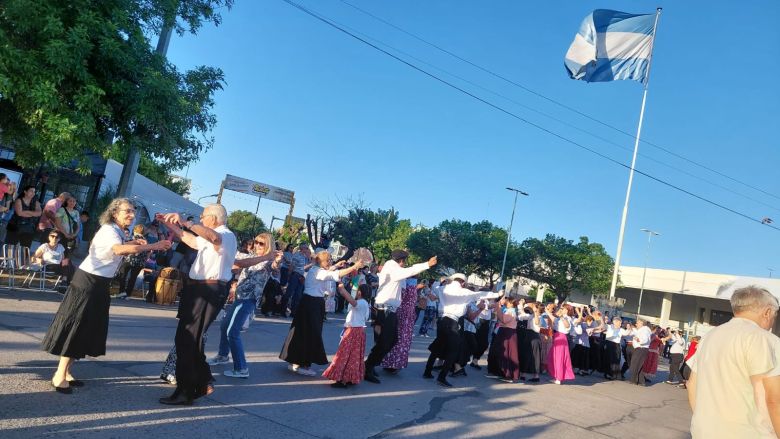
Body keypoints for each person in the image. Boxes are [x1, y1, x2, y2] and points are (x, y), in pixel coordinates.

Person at [41, 198, 171, 394]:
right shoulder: (109, 229)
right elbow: (118, 249)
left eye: (133, 211)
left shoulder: (117, 230)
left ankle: (67, 372)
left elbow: (118, 246)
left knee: (85, 329)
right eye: (127, 211)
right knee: (76, 327)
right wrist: (154, 246)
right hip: (88, 282)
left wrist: (133, 241)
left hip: (100, 283)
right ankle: (59, 375)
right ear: (114, 213)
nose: (132, 215)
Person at [158, 205, 237, 406]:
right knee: (186, 338)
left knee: (188, 338)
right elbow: (192, 241)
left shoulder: (225, 234)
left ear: (214, 218)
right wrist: (172, 226)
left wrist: (186, 221)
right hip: (197, 288)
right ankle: (201, 381)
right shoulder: (212, 234)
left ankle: (188, 389)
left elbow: (214, 239)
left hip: (208, 289)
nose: (200, 220)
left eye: (203, 217)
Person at [687, 286, 779, 438]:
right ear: (767, 312)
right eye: (774, 316)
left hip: (704, 432)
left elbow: (691, 385)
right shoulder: (765, 340)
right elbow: (774, 399)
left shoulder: (710, 337)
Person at [209, 232, 282, 378]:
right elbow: (233, 256)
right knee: (225, 326)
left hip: (249, 299)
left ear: (268, 244)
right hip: (239, 297)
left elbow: (275, 267)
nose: (257, 245)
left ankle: (242, 368)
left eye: (261, 243)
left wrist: (278, 260)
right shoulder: (249, 256)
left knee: (233, 332)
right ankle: (223, 356)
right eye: (256, 241)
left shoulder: (269, 260)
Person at [280, 251, 363, 377]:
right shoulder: (317, 271)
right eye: (328, 260)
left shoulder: (316, 270)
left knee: (301, 333)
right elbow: (333, 275)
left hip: (309, 303)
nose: (330, 262)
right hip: (312, 304)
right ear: (320, 261)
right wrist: (353, 267)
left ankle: (296, 361)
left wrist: (337, 265)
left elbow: (329, 271)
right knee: (312, 334)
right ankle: (304, 364)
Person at [365, 250, 436, 384]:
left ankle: (370, 364)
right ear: (401, 261)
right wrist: (427, 264)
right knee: (386, 341)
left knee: (390, 341)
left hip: (389, 309)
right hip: (384, 309)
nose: (405, 265)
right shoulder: (392, 268)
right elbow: (409, 272)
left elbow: (405, 279)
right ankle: (368, 367)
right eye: (404, 261)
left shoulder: (394, 269)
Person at [423, 273, 498, 387]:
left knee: (438, 346)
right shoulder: (464, 292)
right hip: (453, 322)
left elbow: (433, 290)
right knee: (453, 350)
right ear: (463, 282)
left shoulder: (442, 288)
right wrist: (497, 293)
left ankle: (427, 372)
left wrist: (429, 288)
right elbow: (481, 294)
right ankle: (442, 377)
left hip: (442, 320)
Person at [323, 283, 371, 388]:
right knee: (353, 356)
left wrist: (342, 289)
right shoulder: (366, 303)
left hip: (353, 331)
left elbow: (352, 301)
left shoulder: (361, 302)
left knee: (344, 354)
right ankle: (349, 377)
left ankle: (341, 379)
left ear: (360, 292)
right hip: (358, 332)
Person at [380, 277, 419, 374]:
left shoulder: (406, 285)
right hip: (405, 315)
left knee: (397, 338)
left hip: (403, 313)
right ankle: (394, 363)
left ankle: (390, 362)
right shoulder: (410, 285)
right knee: (401, 339)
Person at [485, 296, 520, 383]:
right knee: (502, 352)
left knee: (507, 353)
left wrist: (499, 308)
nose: (506, 302)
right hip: (505, 331)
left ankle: (508, 374)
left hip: (508, 332)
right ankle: (501, 372)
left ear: (511, 303)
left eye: (507, 301)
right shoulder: (510, 310)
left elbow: (504, 320)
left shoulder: (511, 311)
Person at [114, 224, 148, 299]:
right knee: (133, 278)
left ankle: (122, 292)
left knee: (122, 274)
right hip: (140, 262)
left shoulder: (133, 237)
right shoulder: (145, 240)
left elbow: (127, 247)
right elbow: (148, 252)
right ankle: (128, 294)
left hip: (130, 259)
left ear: (135, 230)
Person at [545, 304, 575, 385]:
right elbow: (553, 319)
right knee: (553, 357)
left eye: (564, 308)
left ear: (567, 310)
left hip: (561, 338)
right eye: (562, 308)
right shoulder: (559, 317)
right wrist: (547, 311)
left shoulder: (567, 318)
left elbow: (567, 326)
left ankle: (559, 378)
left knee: (559, 358)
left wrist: (562, 317)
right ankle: (556, 376)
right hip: (557, 336)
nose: (562, 309)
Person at [284, 243, 313, 317]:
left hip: (302, 277)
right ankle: (282, 309)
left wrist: (309, 259)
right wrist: (289, 276)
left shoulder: (306, 257)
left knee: (298, 295)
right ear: (302, 249)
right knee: (289, 293)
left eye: (308, 248)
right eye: (306, 248)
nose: (308, 250)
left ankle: (293, 312)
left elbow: (308, 269)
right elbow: (294, 266)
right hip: (295, 275)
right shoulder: (297, 255)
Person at [518, 302, 543, 382]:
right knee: (525, 355)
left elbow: (537, 323)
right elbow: (522, 315)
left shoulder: (540, 317)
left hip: (535, 336)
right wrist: (521, 305)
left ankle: (536, 376)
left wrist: (535, 312)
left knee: (535, 357)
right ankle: (523, 374)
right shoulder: (531, 315)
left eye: (535, 307)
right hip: (528, 335)